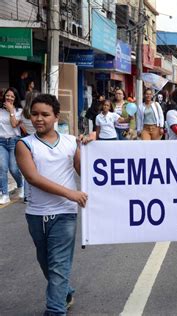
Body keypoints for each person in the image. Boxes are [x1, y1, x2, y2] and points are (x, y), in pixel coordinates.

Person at [15, 93, 92, 315]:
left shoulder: (70, 142)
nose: (39, 119)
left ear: (56, 116)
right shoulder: (24, 144)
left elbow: (85, 171)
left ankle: (56, 310)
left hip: (65, 215)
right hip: (36, 215)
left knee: (58, 265)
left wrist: (90, 147)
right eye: (35, 114)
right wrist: (70, 193)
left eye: (45, 115)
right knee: (47, 265)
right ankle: (65, 292)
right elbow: (33, 178)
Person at [0, 87, 24, 204]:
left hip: (14, 141)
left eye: (12, 96)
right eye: (7, 95)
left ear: (15, 98)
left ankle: (21, 186)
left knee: (13, 169)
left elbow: (14, 124)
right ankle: (5, 194)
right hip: (1, 141)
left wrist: (11, 110)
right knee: (2, 167)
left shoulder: (19, 111)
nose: (9, 98)